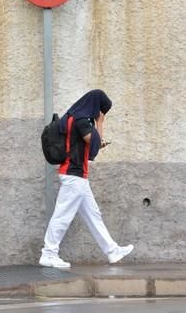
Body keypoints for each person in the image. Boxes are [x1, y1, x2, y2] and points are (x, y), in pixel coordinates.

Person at [39, 89, 134, 268]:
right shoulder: (82, 120)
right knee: (63, 215)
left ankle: (112, 250)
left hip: (78, 176)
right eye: (102, 110)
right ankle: (49, 253)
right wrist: (100, 122)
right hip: (74, 176)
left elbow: (89, 147)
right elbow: (93, 141)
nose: (101, 114)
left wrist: (97, 137)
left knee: (93, 215)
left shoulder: (75, 116)